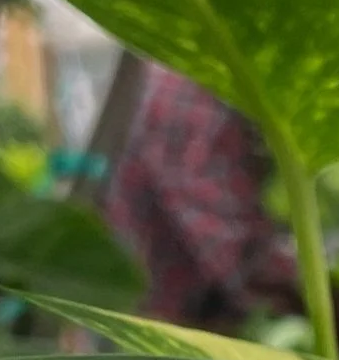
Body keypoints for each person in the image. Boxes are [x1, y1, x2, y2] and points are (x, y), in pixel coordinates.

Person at [102, 63, 298, 327]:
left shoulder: (199, 77)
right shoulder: (192, 96)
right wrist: (336, 308)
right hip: (163, 326)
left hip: (184, 313)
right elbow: (241, 258)